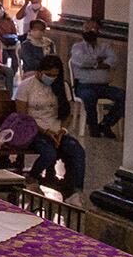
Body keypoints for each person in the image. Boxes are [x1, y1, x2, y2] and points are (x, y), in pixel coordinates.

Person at [14, 54, 86, 191]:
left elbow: (68, 114)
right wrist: (45, 132)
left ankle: (76, 189)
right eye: (48, 74)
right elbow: (23, 117)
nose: (52, 78)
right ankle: (32, 176)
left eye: (55, 75)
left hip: (58, 131)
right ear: (39, 71)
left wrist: (62, 130)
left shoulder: (61, 86)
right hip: (35, 131)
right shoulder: (26, 86)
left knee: (77, 151)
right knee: (49, 153)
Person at [67, 24, 125, 138]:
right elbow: (82, 61)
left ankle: (106, 124)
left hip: (104, 86)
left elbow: (114, 60)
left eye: (93, 29)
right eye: (87, 29)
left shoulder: (104, 47)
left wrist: (95, 63)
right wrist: (99, 62)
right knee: (89, 96)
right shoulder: (77, 47)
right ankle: (93, 126)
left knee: (124, 96)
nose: (90, 31)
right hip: (84, 85)